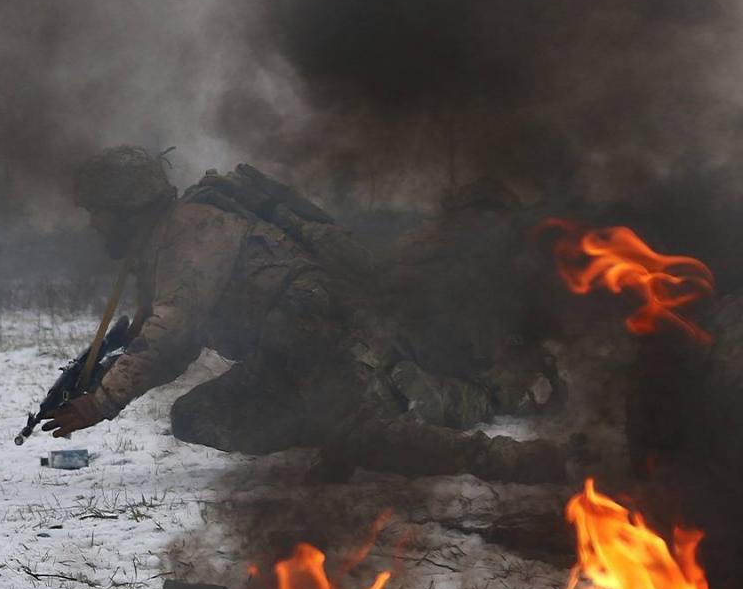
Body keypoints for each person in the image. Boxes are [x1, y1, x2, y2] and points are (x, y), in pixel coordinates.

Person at [43, 145, 570, 483]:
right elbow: (173, 341)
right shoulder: (171, 238)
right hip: (292, 345)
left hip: (313, 335)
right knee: (198, 416)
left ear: (125, 206)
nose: (93, 224)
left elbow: (172, 328)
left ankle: (511, 452)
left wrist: (102, 402)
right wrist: (102, 387)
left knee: (370, 428)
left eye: (98, 212)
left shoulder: (189, 228)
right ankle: (336, 424)